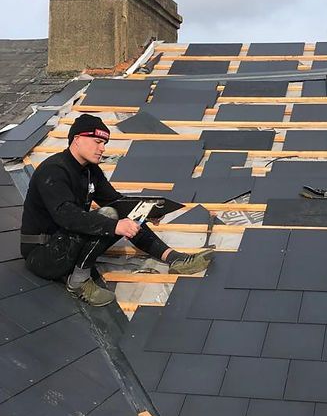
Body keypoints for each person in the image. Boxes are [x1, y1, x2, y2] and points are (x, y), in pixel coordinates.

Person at [20, 113, 213, 307]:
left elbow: (118, 202)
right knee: (111, 217)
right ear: (77, 140)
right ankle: (78, 281)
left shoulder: (90, 171)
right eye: (97, 141)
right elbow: (67, 216)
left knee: (124, 213)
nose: (102, 148)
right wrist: (115, 225)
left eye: (104, 142)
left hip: (68, 242)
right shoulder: (54, 171)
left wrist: (147, 211)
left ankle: (173, 258)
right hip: (44, 254)